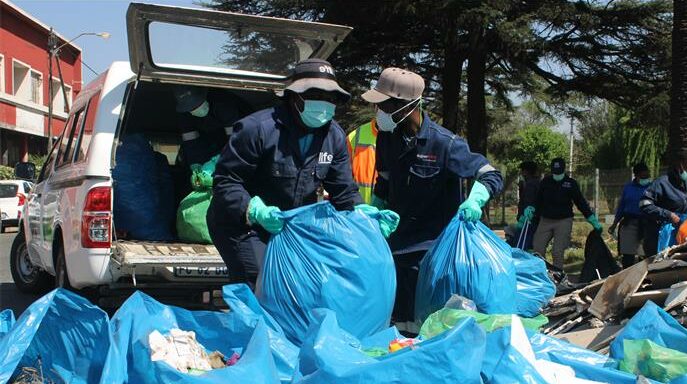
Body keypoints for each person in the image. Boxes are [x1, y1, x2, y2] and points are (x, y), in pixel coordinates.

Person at [208, 59, 398, 285]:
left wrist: (364, 216)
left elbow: (343, 192)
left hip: (289, 227)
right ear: (294, 97)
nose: (324, 104)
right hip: (242, 225)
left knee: (301, 284)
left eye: (330, 98)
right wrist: (255, 210)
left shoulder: (333, 136)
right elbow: (226, 182)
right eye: (315, 95)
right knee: (261, 279)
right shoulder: (257, 129)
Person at [361, 67, 503, 330]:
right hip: (395, 252)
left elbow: (490, 174)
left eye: (383, 105)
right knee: (399, 328)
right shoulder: (387, 140)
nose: (377, 112)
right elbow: (385, 181)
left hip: (432, 258)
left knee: (428, 327)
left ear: (406, 106)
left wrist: (475, 200)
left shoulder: (445, 144)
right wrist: (375, 214)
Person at [531, 157, 602, 270]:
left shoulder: (571, 183)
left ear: (564, 170)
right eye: (555, 172)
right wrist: (532, 210)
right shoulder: (545, 182)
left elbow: (581, 202)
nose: (557, 175)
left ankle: (558, 275)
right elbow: (538, 200)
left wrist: (592, 219)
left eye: (559, 172)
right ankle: (542, 274)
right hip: (546, 220)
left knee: (557, 251)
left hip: (564, 220)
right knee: (537, 248)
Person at [639, 149, 687, 256]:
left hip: (680, 237)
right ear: (679, 165)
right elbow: (644, 205)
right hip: (659, 237)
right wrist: (668, 214)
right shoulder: (661, 183)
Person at [610, 162, 651, 268]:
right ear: (636, 176)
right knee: (628, 255)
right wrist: (614, 224)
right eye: (643, 176)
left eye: (647, 176)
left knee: (644, 254)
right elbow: (621, 207)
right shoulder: (628, 188)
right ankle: (627, 277)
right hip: (629, 223)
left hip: (646, 224)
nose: (646, 178)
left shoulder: (653, 187)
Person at [346, 118, 378, 204]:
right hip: (358, 210)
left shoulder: (405, 136)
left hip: (389, 213)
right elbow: (342, 177)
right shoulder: (354, 136)